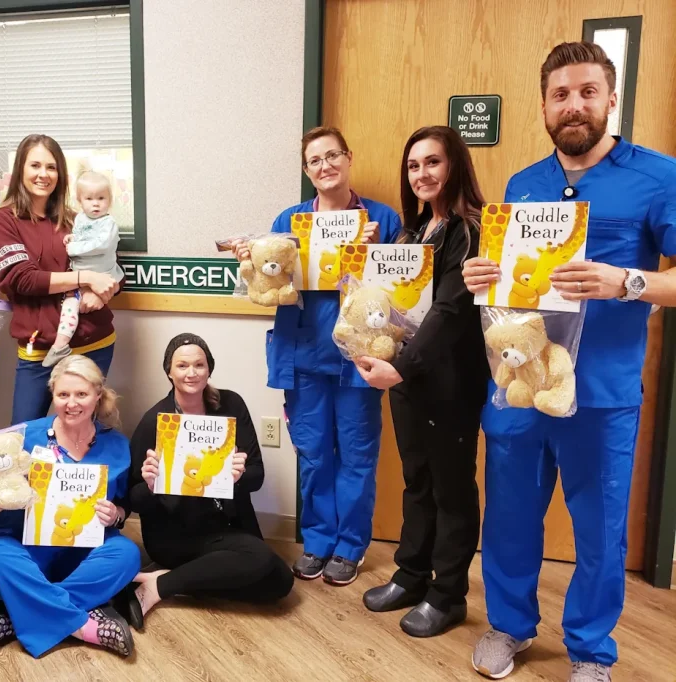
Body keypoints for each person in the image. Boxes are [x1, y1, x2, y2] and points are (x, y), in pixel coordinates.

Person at [462, 42, 676, 682]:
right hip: (520, 387)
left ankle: (590, 649)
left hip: (603, 394)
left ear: (611, 99)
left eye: (587, 92)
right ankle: (509, 626)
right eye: (560, 94)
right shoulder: (521, 185)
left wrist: (628, 282)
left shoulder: (659, 177)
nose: (574, 105)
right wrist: (481, 278)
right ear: (545, 106)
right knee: (509, 517)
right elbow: (512, 289)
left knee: (601, 530)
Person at [234, 126, 402, 585]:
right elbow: (268, 286)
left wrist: (375, 253)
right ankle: (318, 540)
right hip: (303, 353)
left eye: (332, 155)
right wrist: (249, 258)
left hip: (358, 359)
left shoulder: (382, 219)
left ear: (348, 158)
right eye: (315, 160)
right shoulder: (289, 222)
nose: (325, 165)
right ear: (307, 171)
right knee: (313, 454)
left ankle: (349, 546)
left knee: (357, 455)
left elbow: (405, 292)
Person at [355, 126, 489, 638]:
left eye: (432, 162)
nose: (422, 174)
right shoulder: (410, 235)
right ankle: (412, 575)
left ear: (455, 166)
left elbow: (450, 310)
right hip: (408, 378)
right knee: (418, 481)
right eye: (413, 165)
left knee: (451, 488)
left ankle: (447, 594)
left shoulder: (471, 230)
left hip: (450, 381)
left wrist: (402, 367)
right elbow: (390, 304)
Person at [0, 355, 139, 658]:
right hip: (28, 545)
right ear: (52, 395)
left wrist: (116, 514)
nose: (72, 403)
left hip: (86, 550)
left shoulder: (118, 445)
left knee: (127, 555)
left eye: (81, 394)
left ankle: (18, 610)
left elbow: (123, 506)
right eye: (63, 394)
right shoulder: (22, 437)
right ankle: (83, 626)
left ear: (97, 395)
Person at [122, 333, 293, 626]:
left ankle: (169, 579)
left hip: (229, 523)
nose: (191, 373)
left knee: (280, 582)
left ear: (209, 368)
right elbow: (133, 499)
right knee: (261, 560)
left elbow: (257, 476)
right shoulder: (156, 421)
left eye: (199, 365)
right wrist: (151, 485)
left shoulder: (231, 405)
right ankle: (160, 588)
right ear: (169, 371)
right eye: (182, 365)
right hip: (175, 532)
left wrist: (238, 476)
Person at [0, 135, 121, 423]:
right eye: (35, 165)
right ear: (20, 169)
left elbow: (112, 267)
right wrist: (85, 278)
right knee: (26, 433)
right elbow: (20, 279)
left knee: (85, 434)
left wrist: (102, 291)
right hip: (40, 352)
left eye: (51, 167)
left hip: (94, 345)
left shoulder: (77, 220)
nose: (43, 174)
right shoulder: (1, 220)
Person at [42, 170, 124, 368]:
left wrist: (73, 247)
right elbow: (81, 235)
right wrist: (73, 238)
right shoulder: (80, 218)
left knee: (73, 305)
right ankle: (60, 345)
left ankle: (61, 343)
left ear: (110, 201)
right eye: (89, 199)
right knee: (70, 306)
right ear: (80, 201)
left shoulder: (108, 223)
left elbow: (100, 245)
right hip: (78, 279)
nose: (95, 204)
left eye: (101, 198)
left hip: (103, 275)